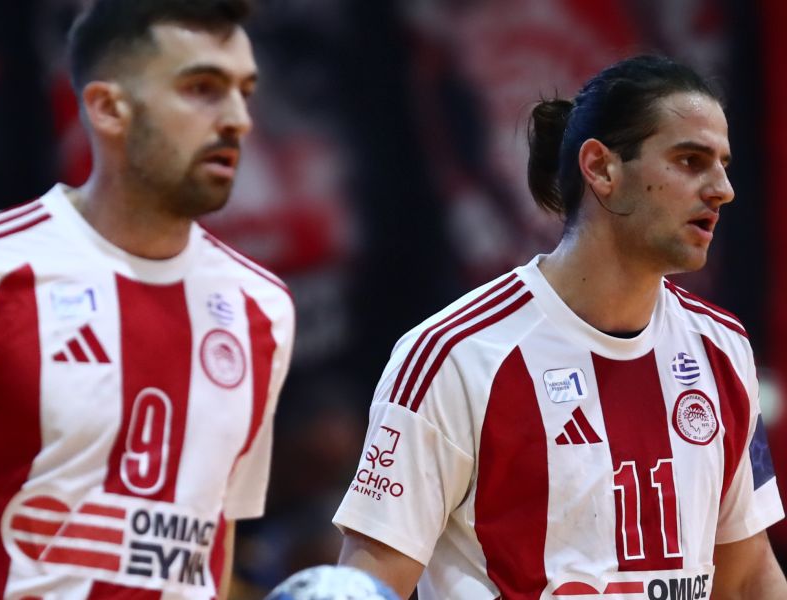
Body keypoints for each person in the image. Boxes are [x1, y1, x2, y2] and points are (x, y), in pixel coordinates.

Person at [332, 55, 787, 599]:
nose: (723, 189)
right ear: (601, 168)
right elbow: (366, 586)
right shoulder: (455, 355)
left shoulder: (723, 350)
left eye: (724, 165)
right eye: (691, 161)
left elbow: (746, 577)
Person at [0, 0, 295, 598]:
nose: (238, 120)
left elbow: (211, 538)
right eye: (203, 89)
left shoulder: (264, 308)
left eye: (244, 92)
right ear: (108, 108)